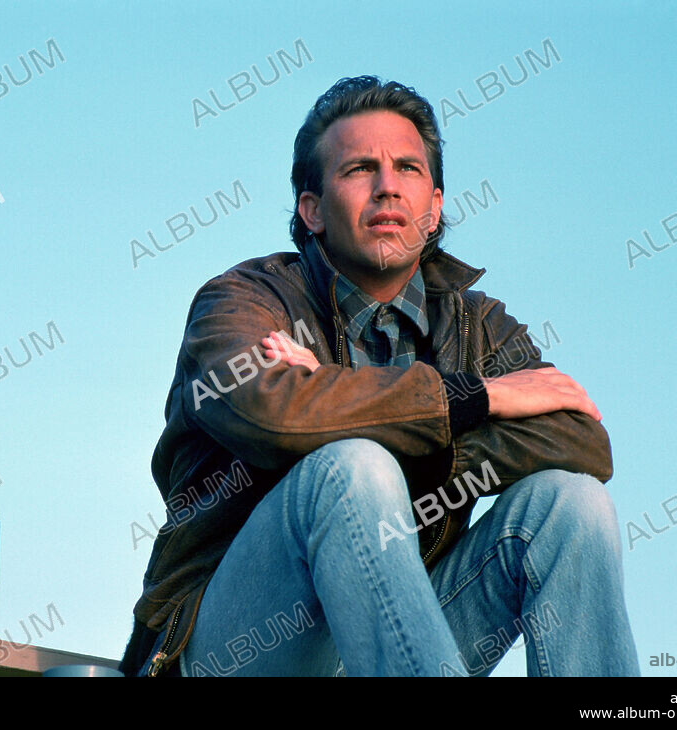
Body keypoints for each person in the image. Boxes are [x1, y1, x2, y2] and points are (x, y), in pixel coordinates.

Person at [119, 75, 639, 677]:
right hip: (242, 645)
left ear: (435, 205)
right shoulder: (244, 300)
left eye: (409, 170)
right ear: (311, 209)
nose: (388, 187)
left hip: (406, 633)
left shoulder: (479, 325)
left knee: (571, 503)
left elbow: (582, 441)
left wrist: (349, 410)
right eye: (359, 169)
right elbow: (267, 410)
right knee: (352, 468)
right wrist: (477, 400)